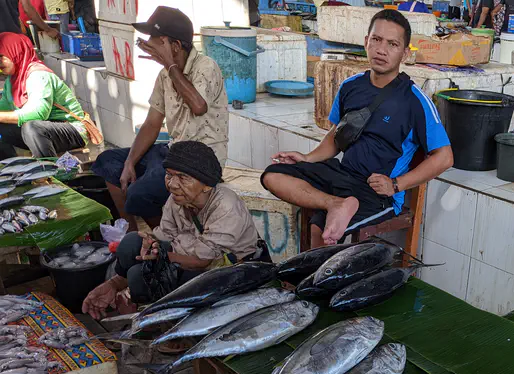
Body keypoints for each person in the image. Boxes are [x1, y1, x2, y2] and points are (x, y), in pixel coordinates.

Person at [262, 10, 453, 248]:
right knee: (273, 174)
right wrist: (307, 158)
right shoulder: (350, 86)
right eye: (376, 40)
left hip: (376, 192)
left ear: (404, 53)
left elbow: (444, 157)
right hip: (342, 175)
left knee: (320, 235)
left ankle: (336, 219)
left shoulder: (414, 100)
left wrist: (396, 185)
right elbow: (336, 135)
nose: (381, 50)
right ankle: (335, 204)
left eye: (392, 44)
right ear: (366, 42)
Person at [82, 141, 259, 318]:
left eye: (183, 177)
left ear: (207, 184)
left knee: (141, 278)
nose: (172, 184)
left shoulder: (226, 206)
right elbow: (164, 235)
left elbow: (201, 262)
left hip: (229, 267)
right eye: (169, 175)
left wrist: (159, 256)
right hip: (189, 252)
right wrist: (116, 281)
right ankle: (121, 291)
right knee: (131, 244)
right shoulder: (178, 198)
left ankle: (172, 319)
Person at [92, 7, 228, 232]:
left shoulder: (205, 67)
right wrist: (129, 163)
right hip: (174, 150)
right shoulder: (165, 74)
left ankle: (167, 240)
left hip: (202, 158)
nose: (149, 48)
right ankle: (132, 233)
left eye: (155, 44)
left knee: (139, 195)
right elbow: (152, 123)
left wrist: (170, 65)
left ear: (174, 46)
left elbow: (199, 106)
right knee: (108, 163)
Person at [0, 32, 90, 159]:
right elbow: (3, 107)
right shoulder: (12, 80)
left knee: (31, 127)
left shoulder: (38, 75)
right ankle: (10, 169)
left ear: (15, 52)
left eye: (1, 57)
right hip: (41, 131)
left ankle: (49, 172)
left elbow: (39, 113)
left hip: (71, 130)